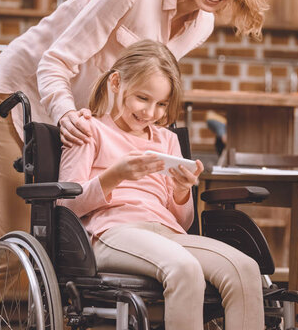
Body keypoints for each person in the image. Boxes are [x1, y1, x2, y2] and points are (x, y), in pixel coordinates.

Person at [0, 0, 268, 242]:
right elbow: (55, 60)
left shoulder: (203, 24)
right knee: (19, 239)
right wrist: (65, 114)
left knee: (56, 243)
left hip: (73, 127)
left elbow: (143, 80)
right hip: (14, 101)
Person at [58, 39, 265, 330]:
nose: (150, 113)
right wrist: (114, 176)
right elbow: (66, 205)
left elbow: (183, 220)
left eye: (161, 104)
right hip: (111, 233)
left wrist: (182, 191)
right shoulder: (89, 130)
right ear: (116, 82)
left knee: (245, 269)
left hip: (167, 233)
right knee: (184, 268)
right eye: (142, 98)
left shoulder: (167, 140)